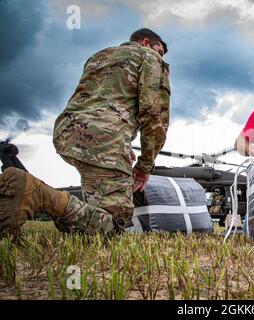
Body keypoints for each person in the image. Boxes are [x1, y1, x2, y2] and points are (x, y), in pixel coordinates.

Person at [0, 28, 171, 239]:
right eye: (159, 50)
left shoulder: (99, 56)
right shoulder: (149, 58)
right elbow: (155, 116)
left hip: (67, 132)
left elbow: (104, 99)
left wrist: (120, 144)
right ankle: (36, 193)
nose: (160, 56)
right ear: (146, 43)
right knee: (113, 227)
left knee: (92, 214)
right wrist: (145, 167)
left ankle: (30, 199)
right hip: (104, 139)